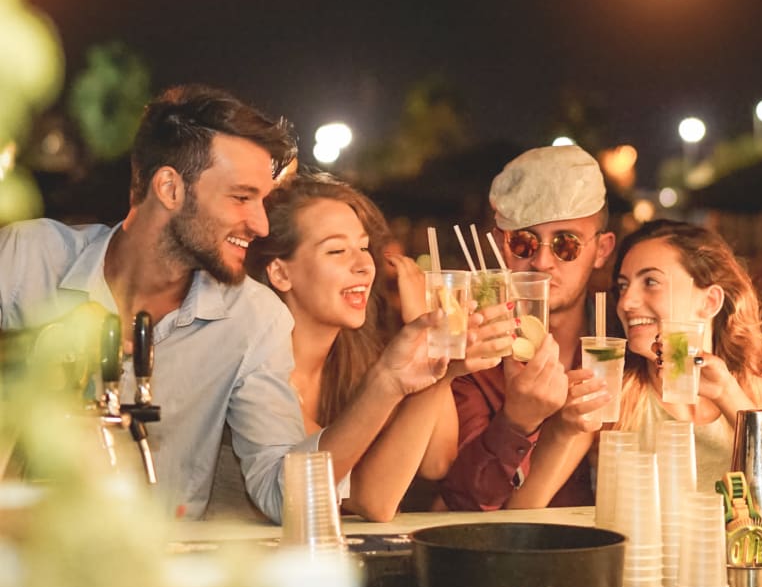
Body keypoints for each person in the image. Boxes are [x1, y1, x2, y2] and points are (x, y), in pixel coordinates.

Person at [0, 84, 445, 522]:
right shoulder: (27, 260)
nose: (262, 225)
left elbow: (281, 494)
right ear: (170, 189)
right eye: (241, 197)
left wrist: (387, 381)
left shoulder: (253, 319)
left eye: (264, 201)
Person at [240, 170, 513, 521]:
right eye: (337, 250)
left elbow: (436, 461)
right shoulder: (257, 373)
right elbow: (372, 499)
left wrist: (442, 366)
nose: (363, 266)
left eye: (364, 247)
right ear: (280, 273)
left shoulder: (357, 359)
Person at [439, 144, 617, 510]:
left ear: (601, 249)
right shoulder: (473, 354)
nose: (542, 261)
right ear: (504, 248)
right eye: (524, 241)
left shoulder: (623, 343)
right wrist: (515, 424)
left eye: (567, 244)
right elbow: (464, 506)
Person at [613, 220, 762, 492]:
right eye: (622, 286)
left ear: (710, 301)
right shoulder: (612, 399)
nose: (625, 302)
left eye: (651, 282)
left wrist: (727, 394)